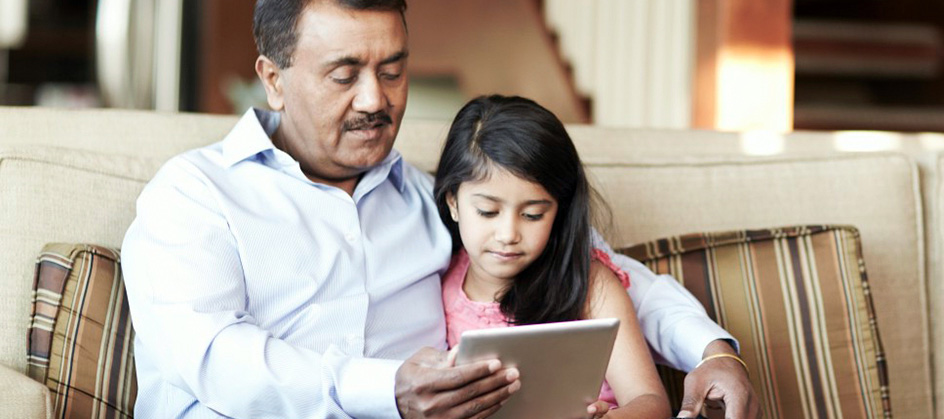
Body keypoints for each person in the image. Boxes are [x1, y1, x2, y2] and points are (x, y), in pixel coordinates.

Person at [120, 0, 759, 418]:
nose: (376, 99)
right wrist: (386, 388)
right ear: (274, 77)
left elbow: (599, 273)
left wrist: (712, 351)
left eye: (393, 70)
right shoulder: (195, 195)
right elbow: (213, 357)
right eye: (345, 75)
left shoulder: (438, 203)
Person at [434, 95, 666, 418]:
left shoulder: (588, 284)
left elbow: (651, 402)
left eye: (532, 215)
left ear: (559, 210)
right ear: (453, 202)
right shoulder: (437, 283)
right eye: (488, 211)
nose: (508, 234)